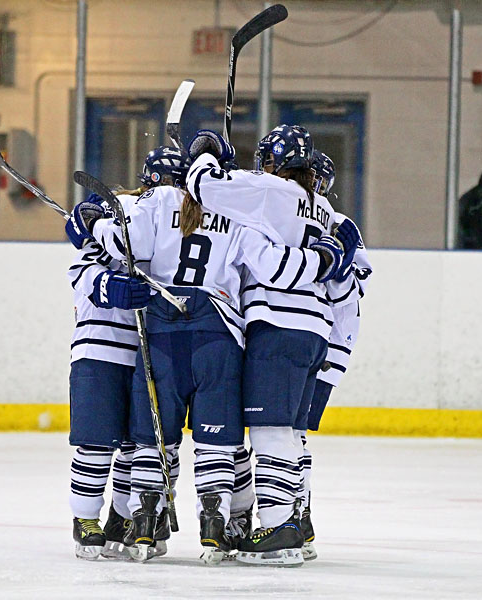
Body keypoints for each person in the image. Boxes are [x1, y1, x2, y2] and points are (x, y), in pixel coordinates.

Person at [67, 132, 354, 565]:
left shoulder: (167, 203)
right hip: (244, 332)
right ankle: (232, 523)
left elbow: (124, 243)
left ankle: (144, 522)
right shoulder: (317, 213)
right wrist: (330, 259)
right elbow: (346, 292)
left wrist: (93, 226)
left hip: (179, 331)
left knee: (150, 436)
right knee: (233, 437)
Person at [187, 124, 362, 567]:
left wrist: (208, 153)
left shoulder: (271, 191)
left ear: (273, 163)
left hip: (279, 327)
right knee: (289, 433)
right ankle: (295, 524)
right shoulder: (323, 208)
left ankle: (279, 527)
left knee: (271, 431)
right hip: (313, 331)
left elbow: (202, 186)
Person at [64, 146, 187, 560]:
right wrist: (109, 287)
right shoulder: (124, 213)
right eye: (162, 182)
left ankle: (121, 517)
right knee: (96, 442)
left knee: (138, 446)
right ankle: (85, 519)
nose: (168, 190)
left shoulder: (182, 230)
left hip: (146, 348)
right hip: (99, 345)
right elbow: (81, 271)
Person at [296, 150, 373, 561]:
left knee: (290, 433)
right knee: (278, 432)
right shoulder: (280, 213)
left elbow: (353, 288)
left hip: (326, 344)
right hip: (293, 338)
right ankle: (288, 514)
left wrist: (337, 260)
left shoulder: (339, 224)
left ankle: (297, 516)